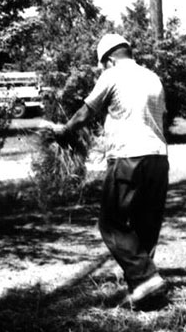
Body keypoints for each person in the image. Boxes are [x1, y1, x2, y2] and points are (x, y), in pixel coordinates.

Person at [44, 33, 170, 307]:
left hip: (128, 157)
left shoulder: (111, 75)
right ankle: (144, 289)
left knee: (110, 223)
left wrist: (64, 132)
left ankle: (146, 278)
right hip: (159, 158)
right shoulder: (153, 77)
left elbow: (86, 113)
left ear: (110, 59)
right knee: (144, 223)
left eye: (102, 65)